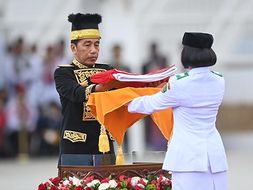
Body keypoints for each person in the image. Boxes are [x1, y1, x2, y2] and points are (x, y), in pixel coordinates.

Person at [128, 32, 228, 190]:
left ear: (186, 54)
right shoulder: (219, 80)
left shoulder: (179, 83)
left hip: (188, 159)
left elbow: (150, 104)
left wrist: (124, 101)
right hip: (214, 158)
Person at [54, 13, 116, 166]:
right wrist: (100, 87)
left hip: (104, 145)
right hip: (76, 146)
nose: (94, 50)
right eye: (87, 45)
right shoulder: (63, 73)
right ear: (73, 48)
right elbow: (76, 93)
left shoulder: (107, 70)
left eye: (97, 44)